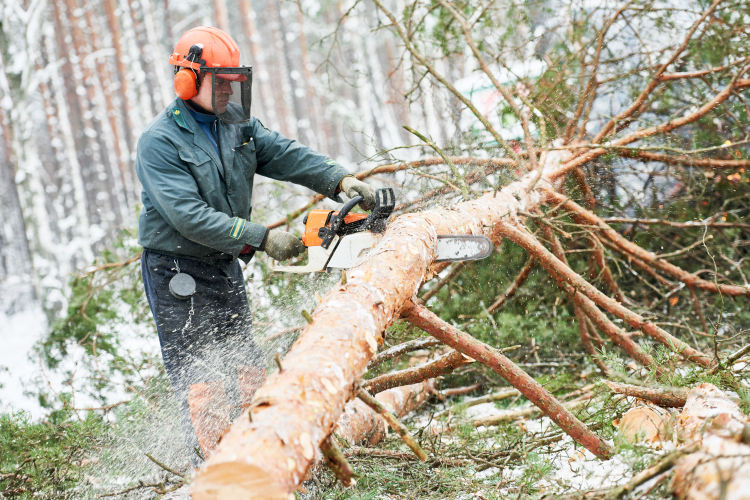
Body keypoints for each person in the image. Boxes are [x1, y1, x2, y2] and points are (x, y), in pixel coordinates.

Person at [135, 26, 375, 467]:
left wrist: (339, 179)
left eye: (234, 80)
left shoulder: (235, 124)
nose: (230, 89)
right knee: (201, 384)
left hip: (223, 262)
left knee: (247, 371)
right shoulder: (160, 143)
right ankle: (215, 476)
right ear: (189, 80)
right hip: (177, 272)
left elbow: (284, 154)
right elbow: (188, 217)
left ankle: (263, 463)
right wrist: (261, 238)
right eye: (220, 81)